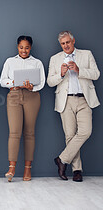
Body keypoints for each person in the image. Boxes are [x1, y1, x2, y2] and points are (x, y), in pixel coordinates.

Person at [47, 31, 100, 182]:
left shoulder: (86, 54)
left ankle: (62, 159)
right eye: (63, 44)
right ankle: (77, 170)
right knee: (70, 136)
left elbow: (96, 74)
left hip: (84, 99)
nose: (66, 46)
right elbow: (50, 81)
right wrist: (61, 75)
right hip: (66, 101)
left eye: (68, 42)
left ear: (73, 41)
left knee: (85, 131)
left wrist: (79, 70)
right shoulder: (55, 59)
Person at [0, 36, 46, 182]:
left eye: (26, 47)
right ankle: (11, 168)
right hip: (14, 95)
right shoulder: (10, 61)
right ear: (17, 47)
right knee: (14, 132)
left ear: (30, 48)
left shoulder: (37, 62)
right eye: (21, 47)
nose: (24, 50)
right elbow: (2, 80)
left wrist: (32, 87)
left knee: (30, 133)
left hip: (32, 96)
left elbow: (42, 83)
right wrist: (14, 82)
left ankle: (27, 169)